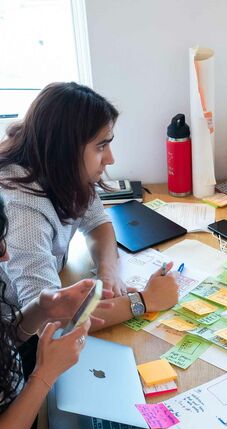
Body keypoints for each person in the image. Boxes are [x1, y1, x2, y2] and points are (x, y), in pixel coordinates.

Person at [0, 82, 178, 330]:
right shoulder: (23, 213)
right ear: (66, 149)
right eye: (101, 146)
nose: (110, 158)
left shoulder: (59, 168)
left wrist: (108, 270)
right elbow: (49, 322)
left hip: (57, 284)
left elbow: (97, 222)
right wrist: (144, 301)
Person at [0, 194, 102, 429]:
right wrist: (44, 376)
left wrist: (41, 309)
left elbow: (5, 334)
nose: (6, 256)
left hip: (23, 412)